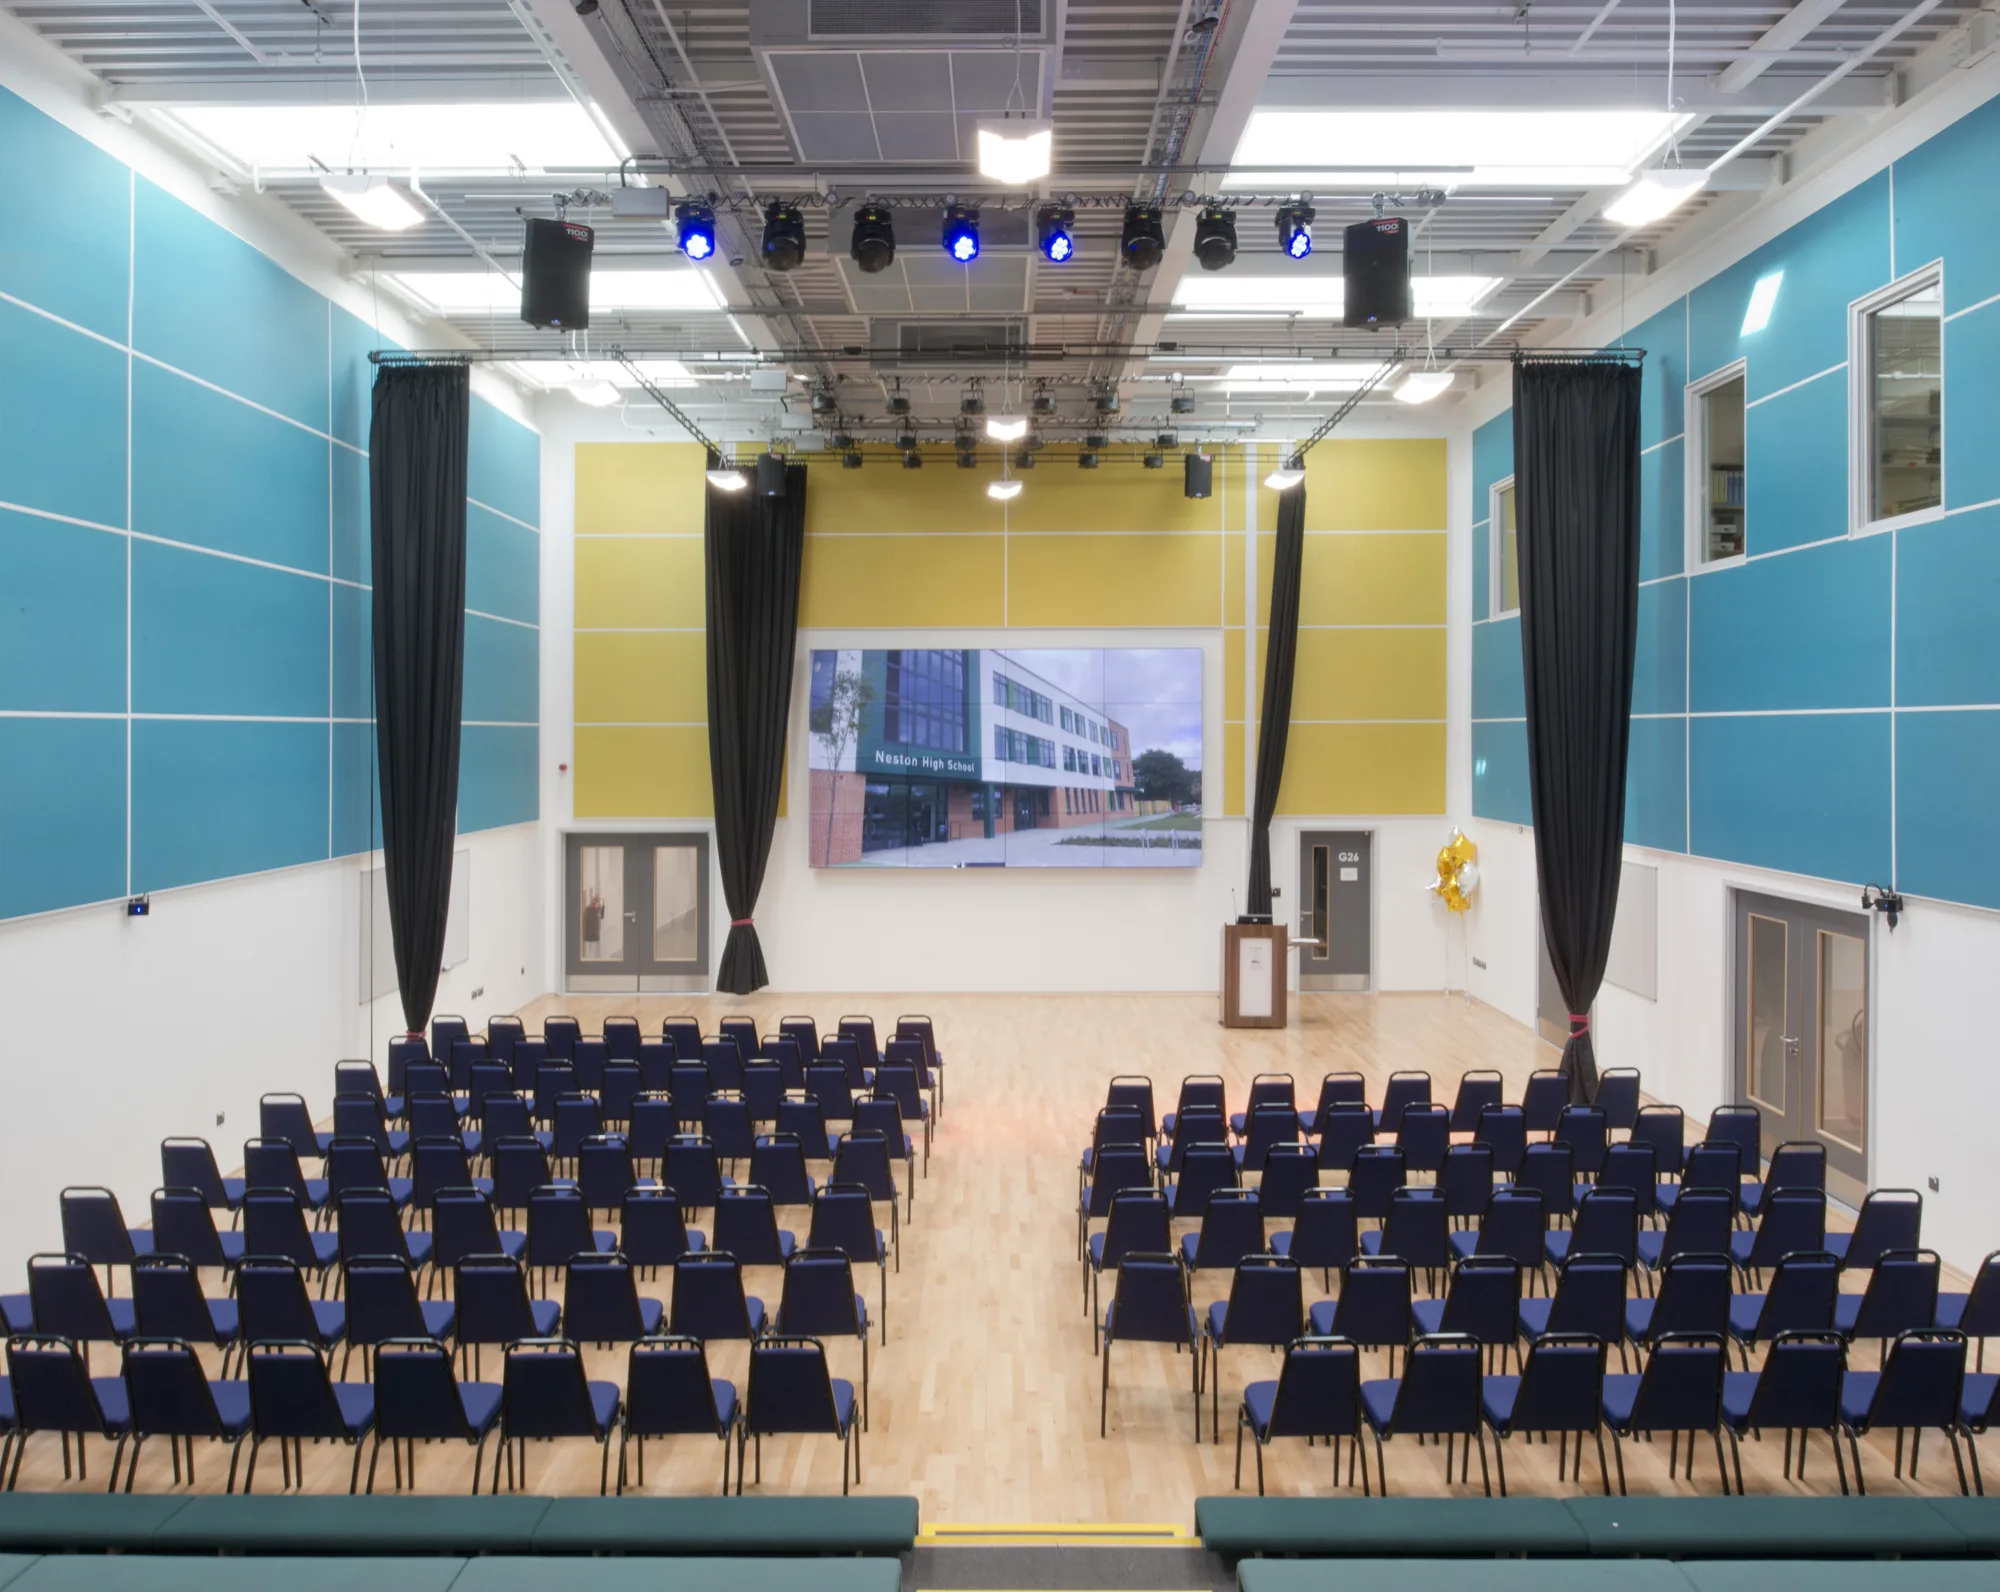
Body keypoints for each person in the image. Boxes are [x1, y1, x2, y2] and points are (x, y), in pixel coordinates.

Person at [582, 888, 604, 956]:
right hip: (590, 933)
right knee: (590, 948)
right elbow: (587, 922)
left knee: (593, 948)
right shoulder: (589, 909)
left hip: (594, 933)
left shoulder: (597, 909)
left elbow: (601, 916)